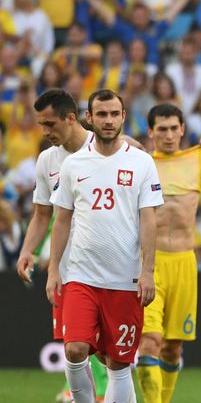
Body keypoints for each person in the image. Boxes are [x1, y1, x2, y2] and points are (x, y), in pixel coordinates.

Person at [45, 89, 164, 403]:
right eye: (102, 114)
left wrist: (148, 272)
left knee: (119, 362)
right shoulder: (74, 165)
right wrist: (54, 269)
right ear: (89, 118)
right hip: (81, 276)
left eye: (114, 114)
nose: (109, 121)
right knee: (74, 349)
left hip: (125, 279)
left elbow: (149, 220)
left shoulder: (141, 162)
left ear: (123, 117)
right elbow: (61, 220)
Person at [136, 103, 201, 403]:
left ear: (182, 129)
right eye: (161, 129)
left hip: (184, 262)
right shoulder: (140, 162)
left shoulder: (199, 158)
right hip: (148, 263)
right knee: (149, 343)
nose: (168, 135)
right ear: (151, 132)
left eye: (173, 128)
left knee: (172, 348)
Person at [15, 89, 109, 401]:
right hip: (69, 269)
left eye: (50, 124)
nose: (45, 132)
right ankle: (85, 395)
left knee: (112, 353)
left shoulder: (110, 150)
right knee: (75, 346)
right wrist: (28, 250)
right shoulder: (47, 161)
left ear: (71, 118)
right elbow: (42, 213)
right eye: (41, 125)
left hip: (112, 265)